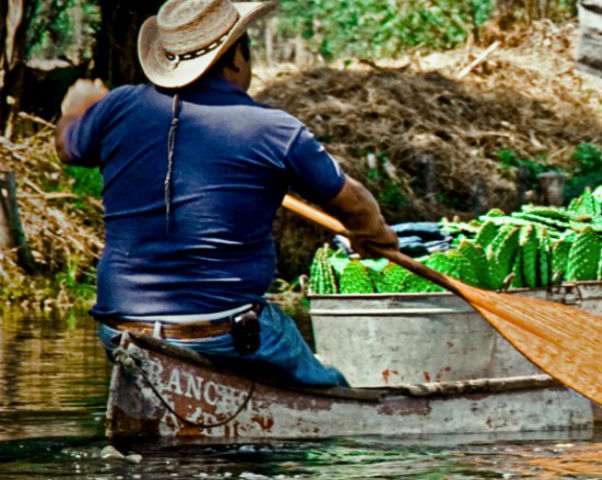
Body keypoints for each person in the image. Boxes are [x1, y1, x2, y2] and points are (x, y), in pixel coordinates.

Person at [54, 0, 398, 387]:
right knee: (330, 385)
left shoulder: (117, 107)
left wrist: (74, 108)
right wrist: (375, 235)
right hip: (225, 334)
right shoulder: (276, 130)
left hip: (121, 330)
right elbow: (351, 201)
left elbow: (68, 147)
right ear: (236, 59)